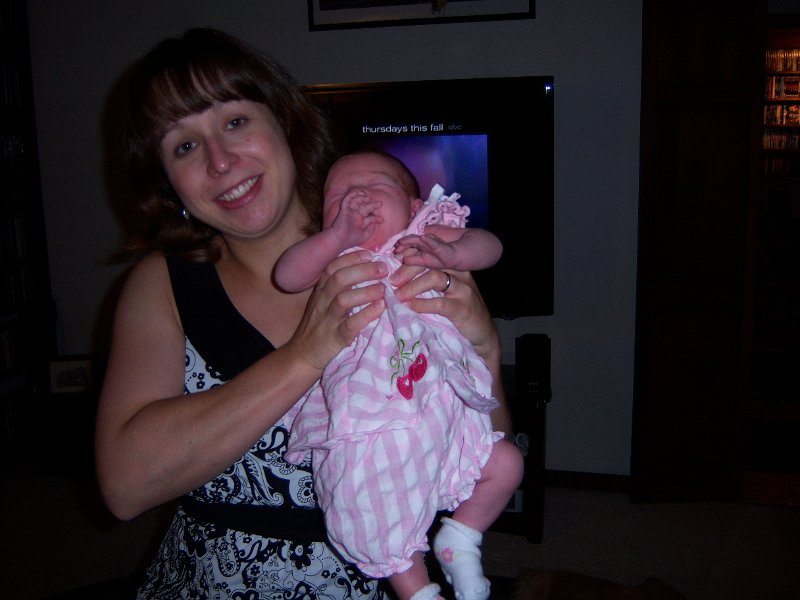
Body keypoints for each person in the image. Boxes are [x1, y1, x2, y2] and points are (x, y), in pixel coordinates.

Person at [93, 27, 513, 600]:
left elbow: (480, 446)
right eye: (184, 146)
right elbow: (124, 487)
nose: (220, 161)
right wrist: (304, 357)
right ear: (167, 182)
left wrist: (485, 347)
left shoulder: (400, 247)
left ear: (284, 123)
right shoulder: (162, 283)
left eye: (235, 121)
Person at [274, 150, 524, 600]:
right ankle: (417, 591)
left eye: (376, 185)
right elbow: (287, 276)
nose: (357, 196)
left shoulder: (424, 234)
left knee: (506, 464)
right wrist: (336, 236)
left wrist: (452, 251)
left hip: (440, 407)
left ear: (414, 207)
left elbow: (492, 247)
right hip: (372, 413)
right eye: (337, 196)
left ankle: (461, 538)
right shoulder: (335, 258)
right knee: (373, 508)